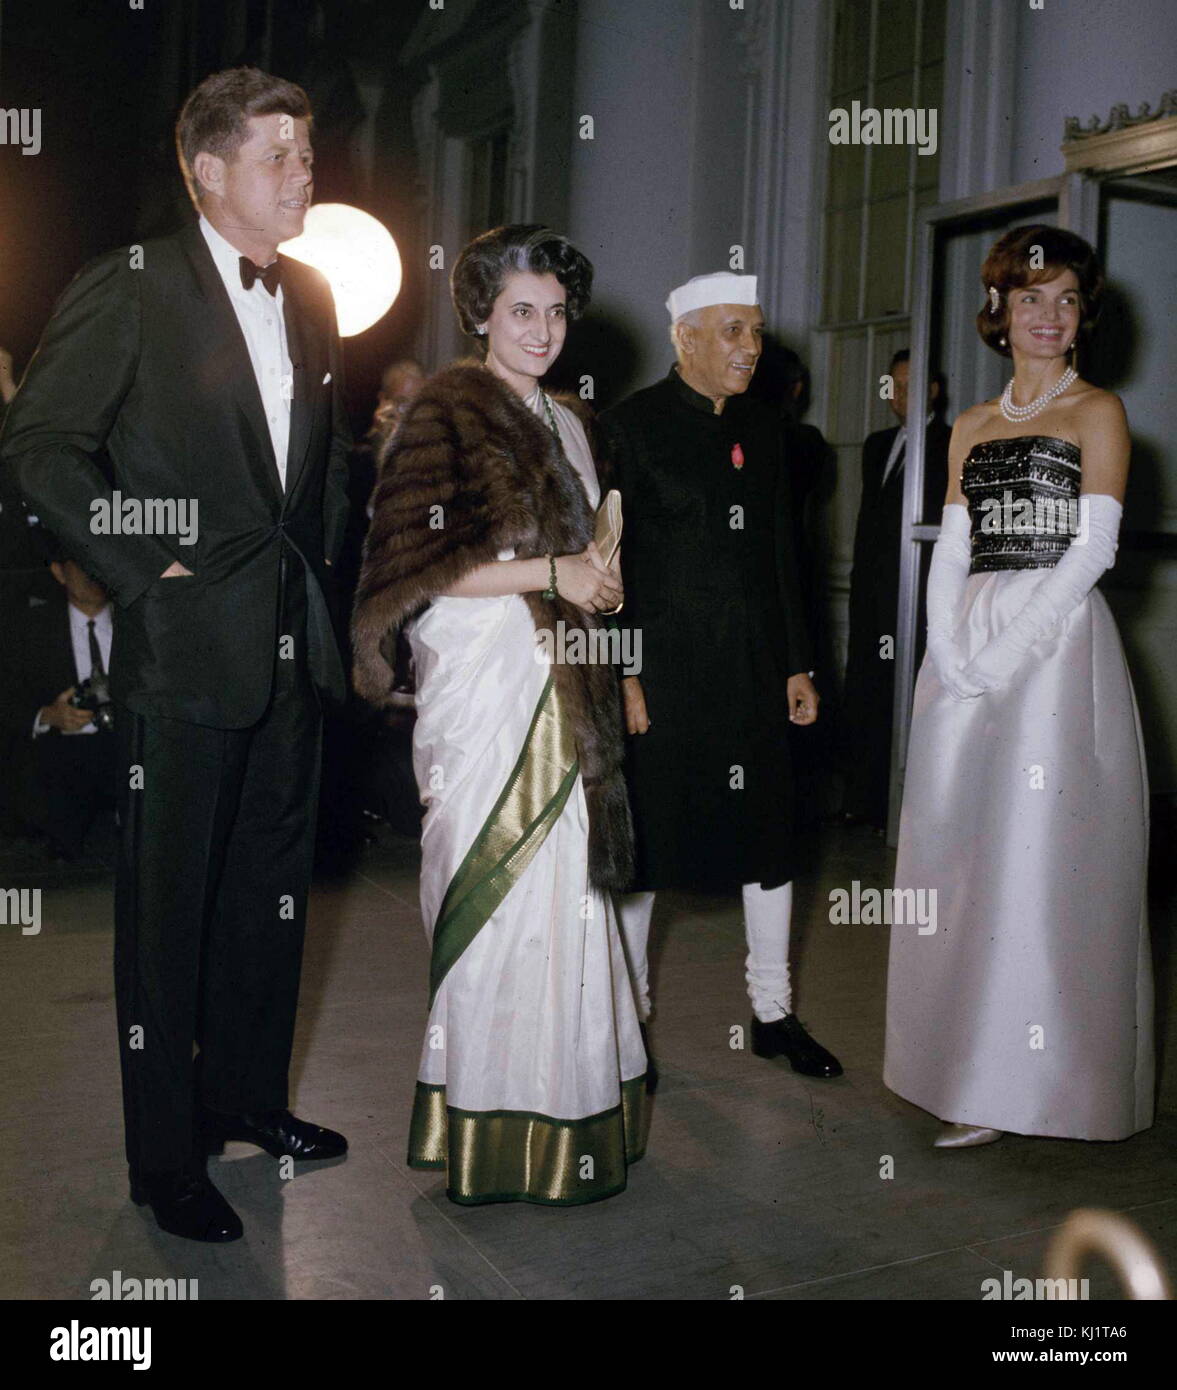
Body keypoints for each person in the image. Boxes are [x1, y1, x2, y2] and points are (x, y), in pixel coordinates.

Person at [0, 67, 352, 1241]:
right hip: (185, 653)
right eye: (279, 156)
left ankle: (250, 1103)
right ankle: (164, 1159)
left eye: (308, 153)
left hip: (290, 650)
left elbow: (321, 470)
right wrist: (147, 566)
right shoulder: (132, 285)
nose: (306, 172)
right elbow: (43, 446)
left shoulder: (310, 296)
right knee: (167, 925)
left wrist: (333, 598)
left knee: (272, 901)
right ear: (205, 169)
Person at [351, 224, 648, 1206]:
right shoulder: (443, 415)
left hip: (572, 681)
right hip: (487, 682)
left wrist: (610, 633)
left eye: (558, 311)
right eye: (523, 309)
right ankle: (488, 1119)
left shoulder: (569, 423)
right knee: (496, 897)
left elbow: (599, 564)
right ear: (480, 312)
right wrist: (550, 573)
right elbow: (419, 565)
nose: (544, 329)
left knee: (571, 893)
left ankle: (570, 1111)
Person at [884, 226, 1153, 1147]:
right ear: (997, 311)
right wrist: (950, 650)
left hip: (1054, 652)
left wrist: (1003, 659)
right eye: (1029, 298)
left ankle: (1032, 1084)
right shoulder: (968, 424)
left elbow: (1093, 552)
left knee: (1036, 870)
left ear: (1082, 319)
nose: (1047, 316)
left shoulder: (1098, 412)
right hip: (964, 651)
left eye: (1066, 300)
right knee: (959, 860)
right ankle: (962, 1066)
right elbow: (951, 550)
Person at [598, 272, 842, 1080]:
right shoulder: (627, 428)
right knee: (649, 850)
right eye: (732, 331)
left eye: (755, 331)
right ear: (686, 339)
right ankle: (629, 1020)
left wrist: (796, 663)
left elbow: (784, 555)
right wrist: (623, 674)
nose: (750, 348)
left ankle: (772, 1012)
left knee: (768, 835)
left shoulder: (770, 430)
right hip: (661, 672)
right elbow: (609, 564)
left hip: (752, 668)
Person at [840, 349, 950, 833]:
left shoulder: (950, 443)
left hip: (918, 598)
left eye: (911, 386)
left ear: (932, 391)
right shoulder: (876, 444)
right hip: (872, 597)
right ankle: (863, 802)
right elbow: (871, 523)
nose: (900, 395)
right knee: (867, 698)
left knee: (910, 702)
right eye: (894, 386)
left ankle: (906, 810)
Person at [0, 542, 118, 861]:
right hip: (60, 755)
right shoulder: (29, 628)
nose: (93, 573)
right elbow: (8, 697)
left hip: (128, 750)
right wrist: (48, 715)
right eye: (81, 563)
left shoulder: (138, 623)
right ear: (59, 572)